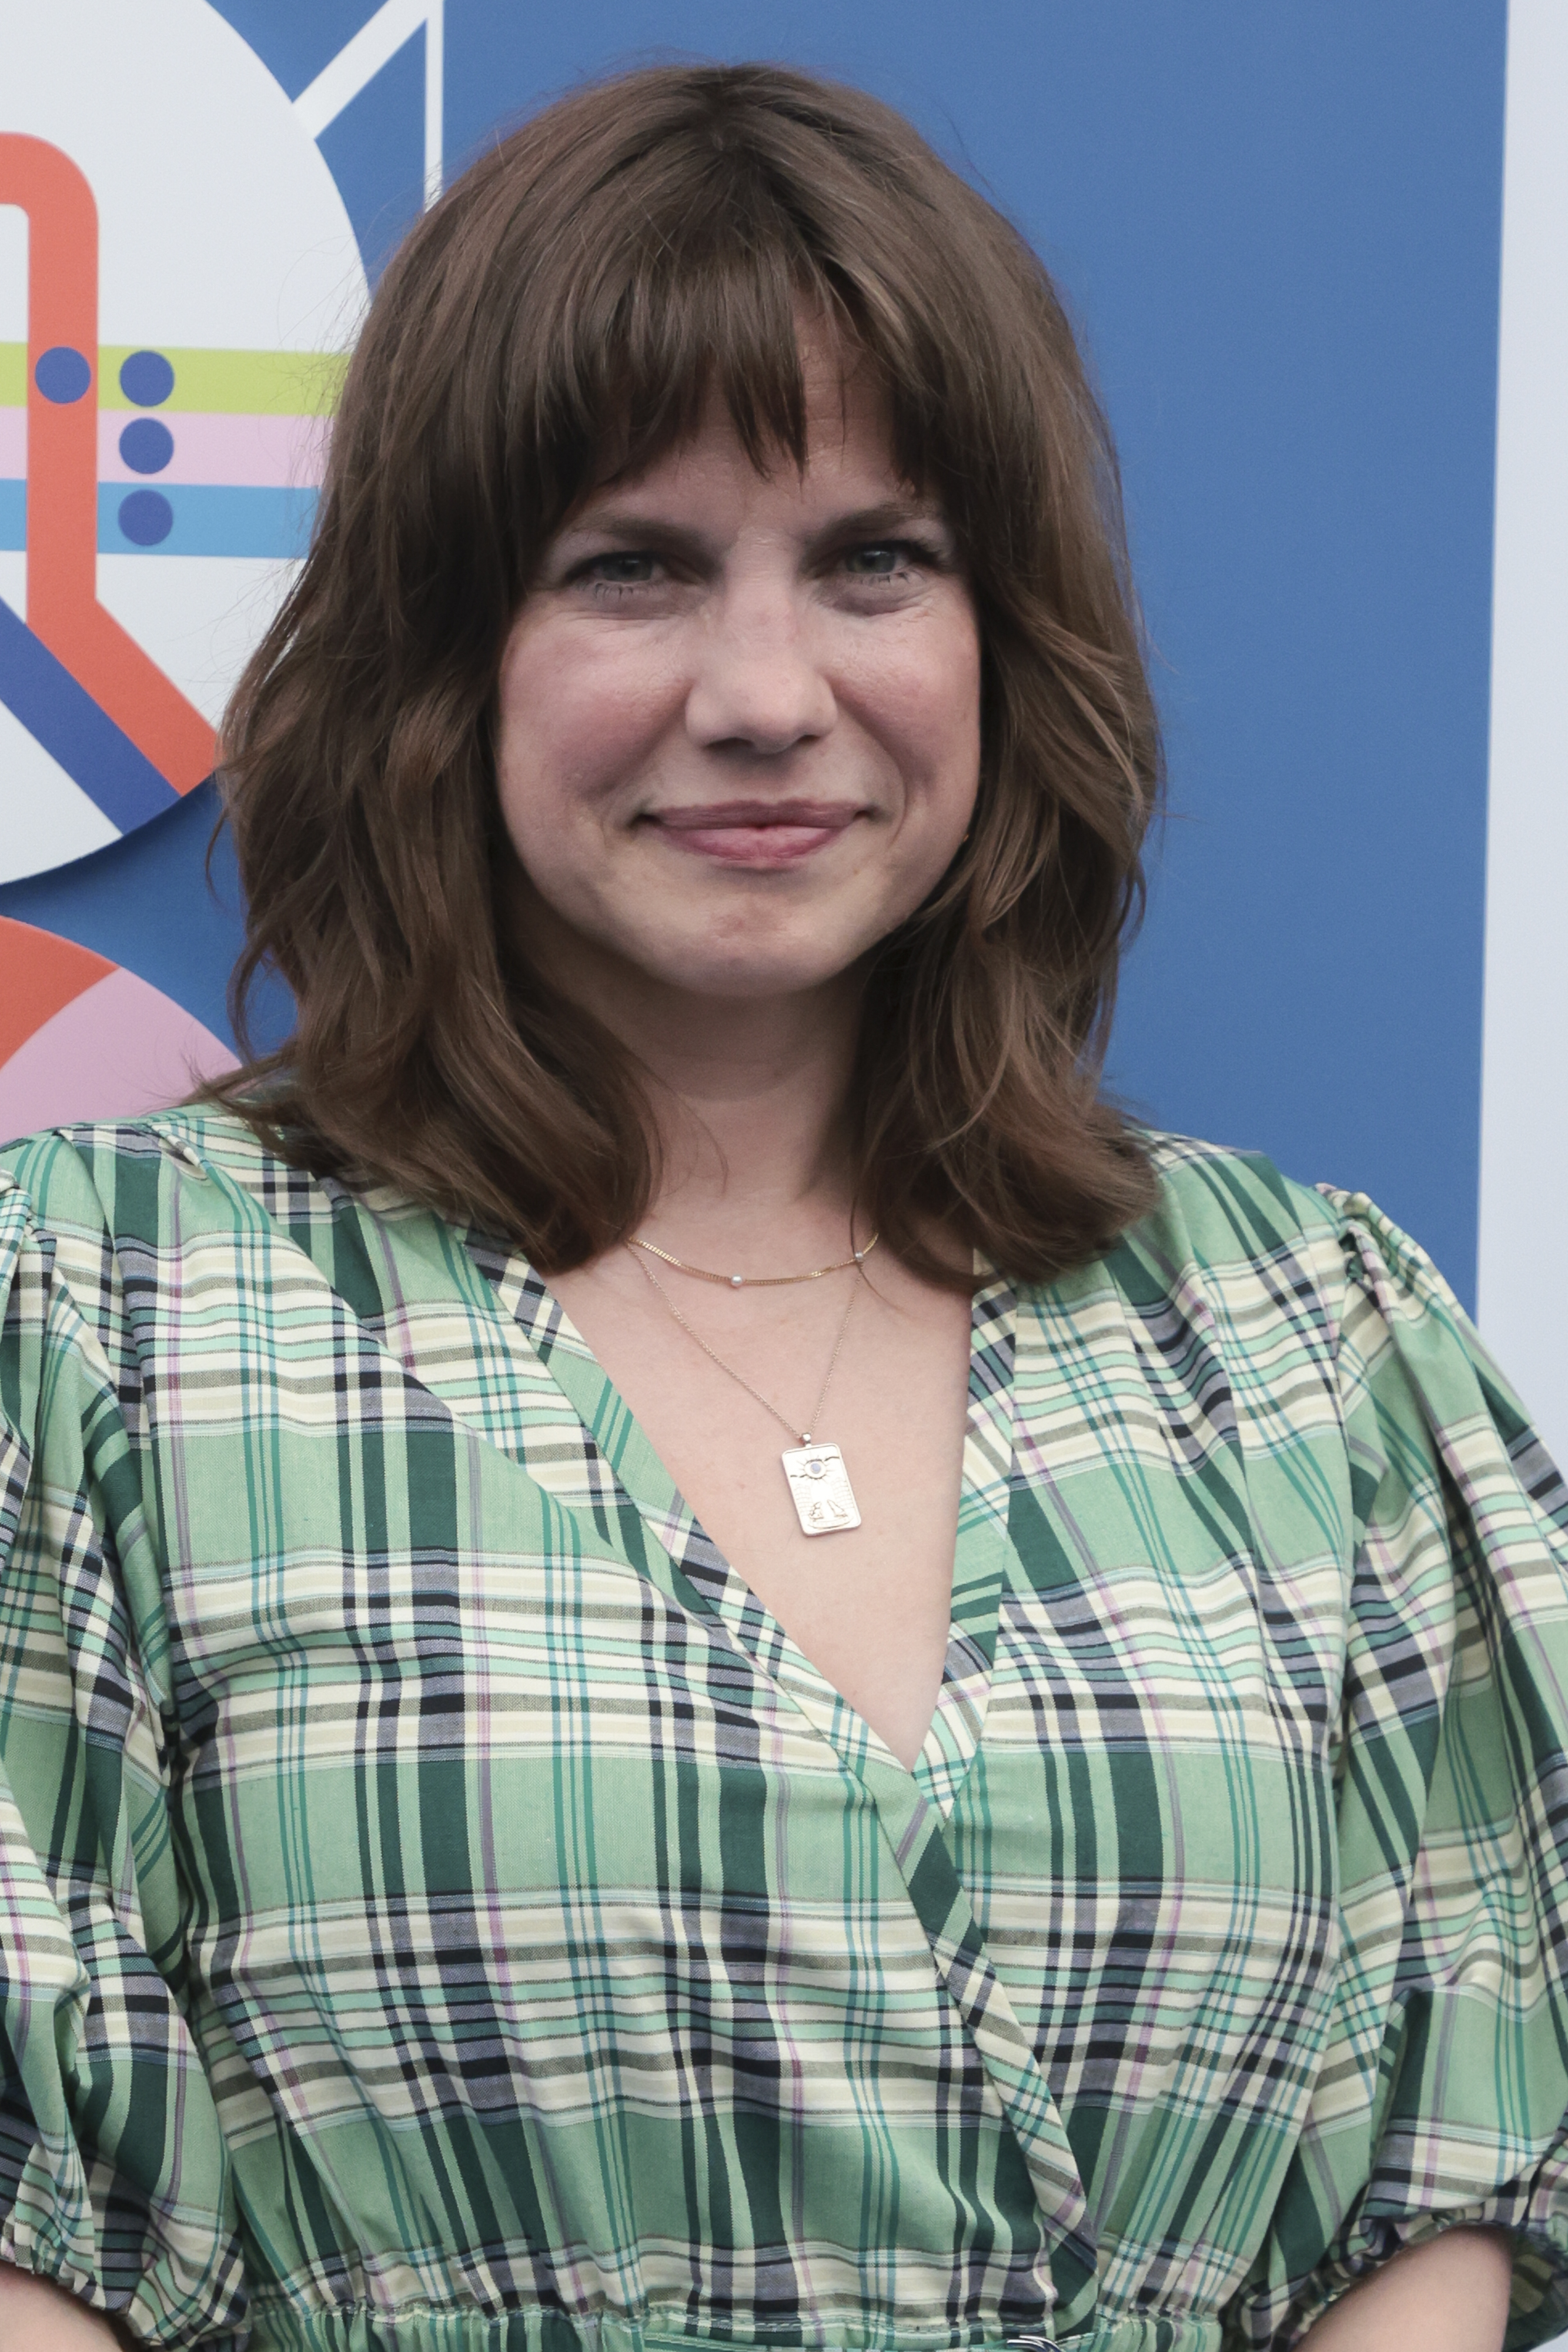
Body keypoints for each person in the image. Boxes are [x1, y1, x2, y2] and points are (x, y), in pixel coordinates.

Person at [0, 60, 1563, 2352]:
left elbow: (1453, 2158)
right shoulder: (90, 1316)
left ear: (1001, 637)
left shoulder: (1305, 1333)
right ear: (445, 648)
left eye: (871, 562)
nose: (764, 694)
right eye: (630, 566)